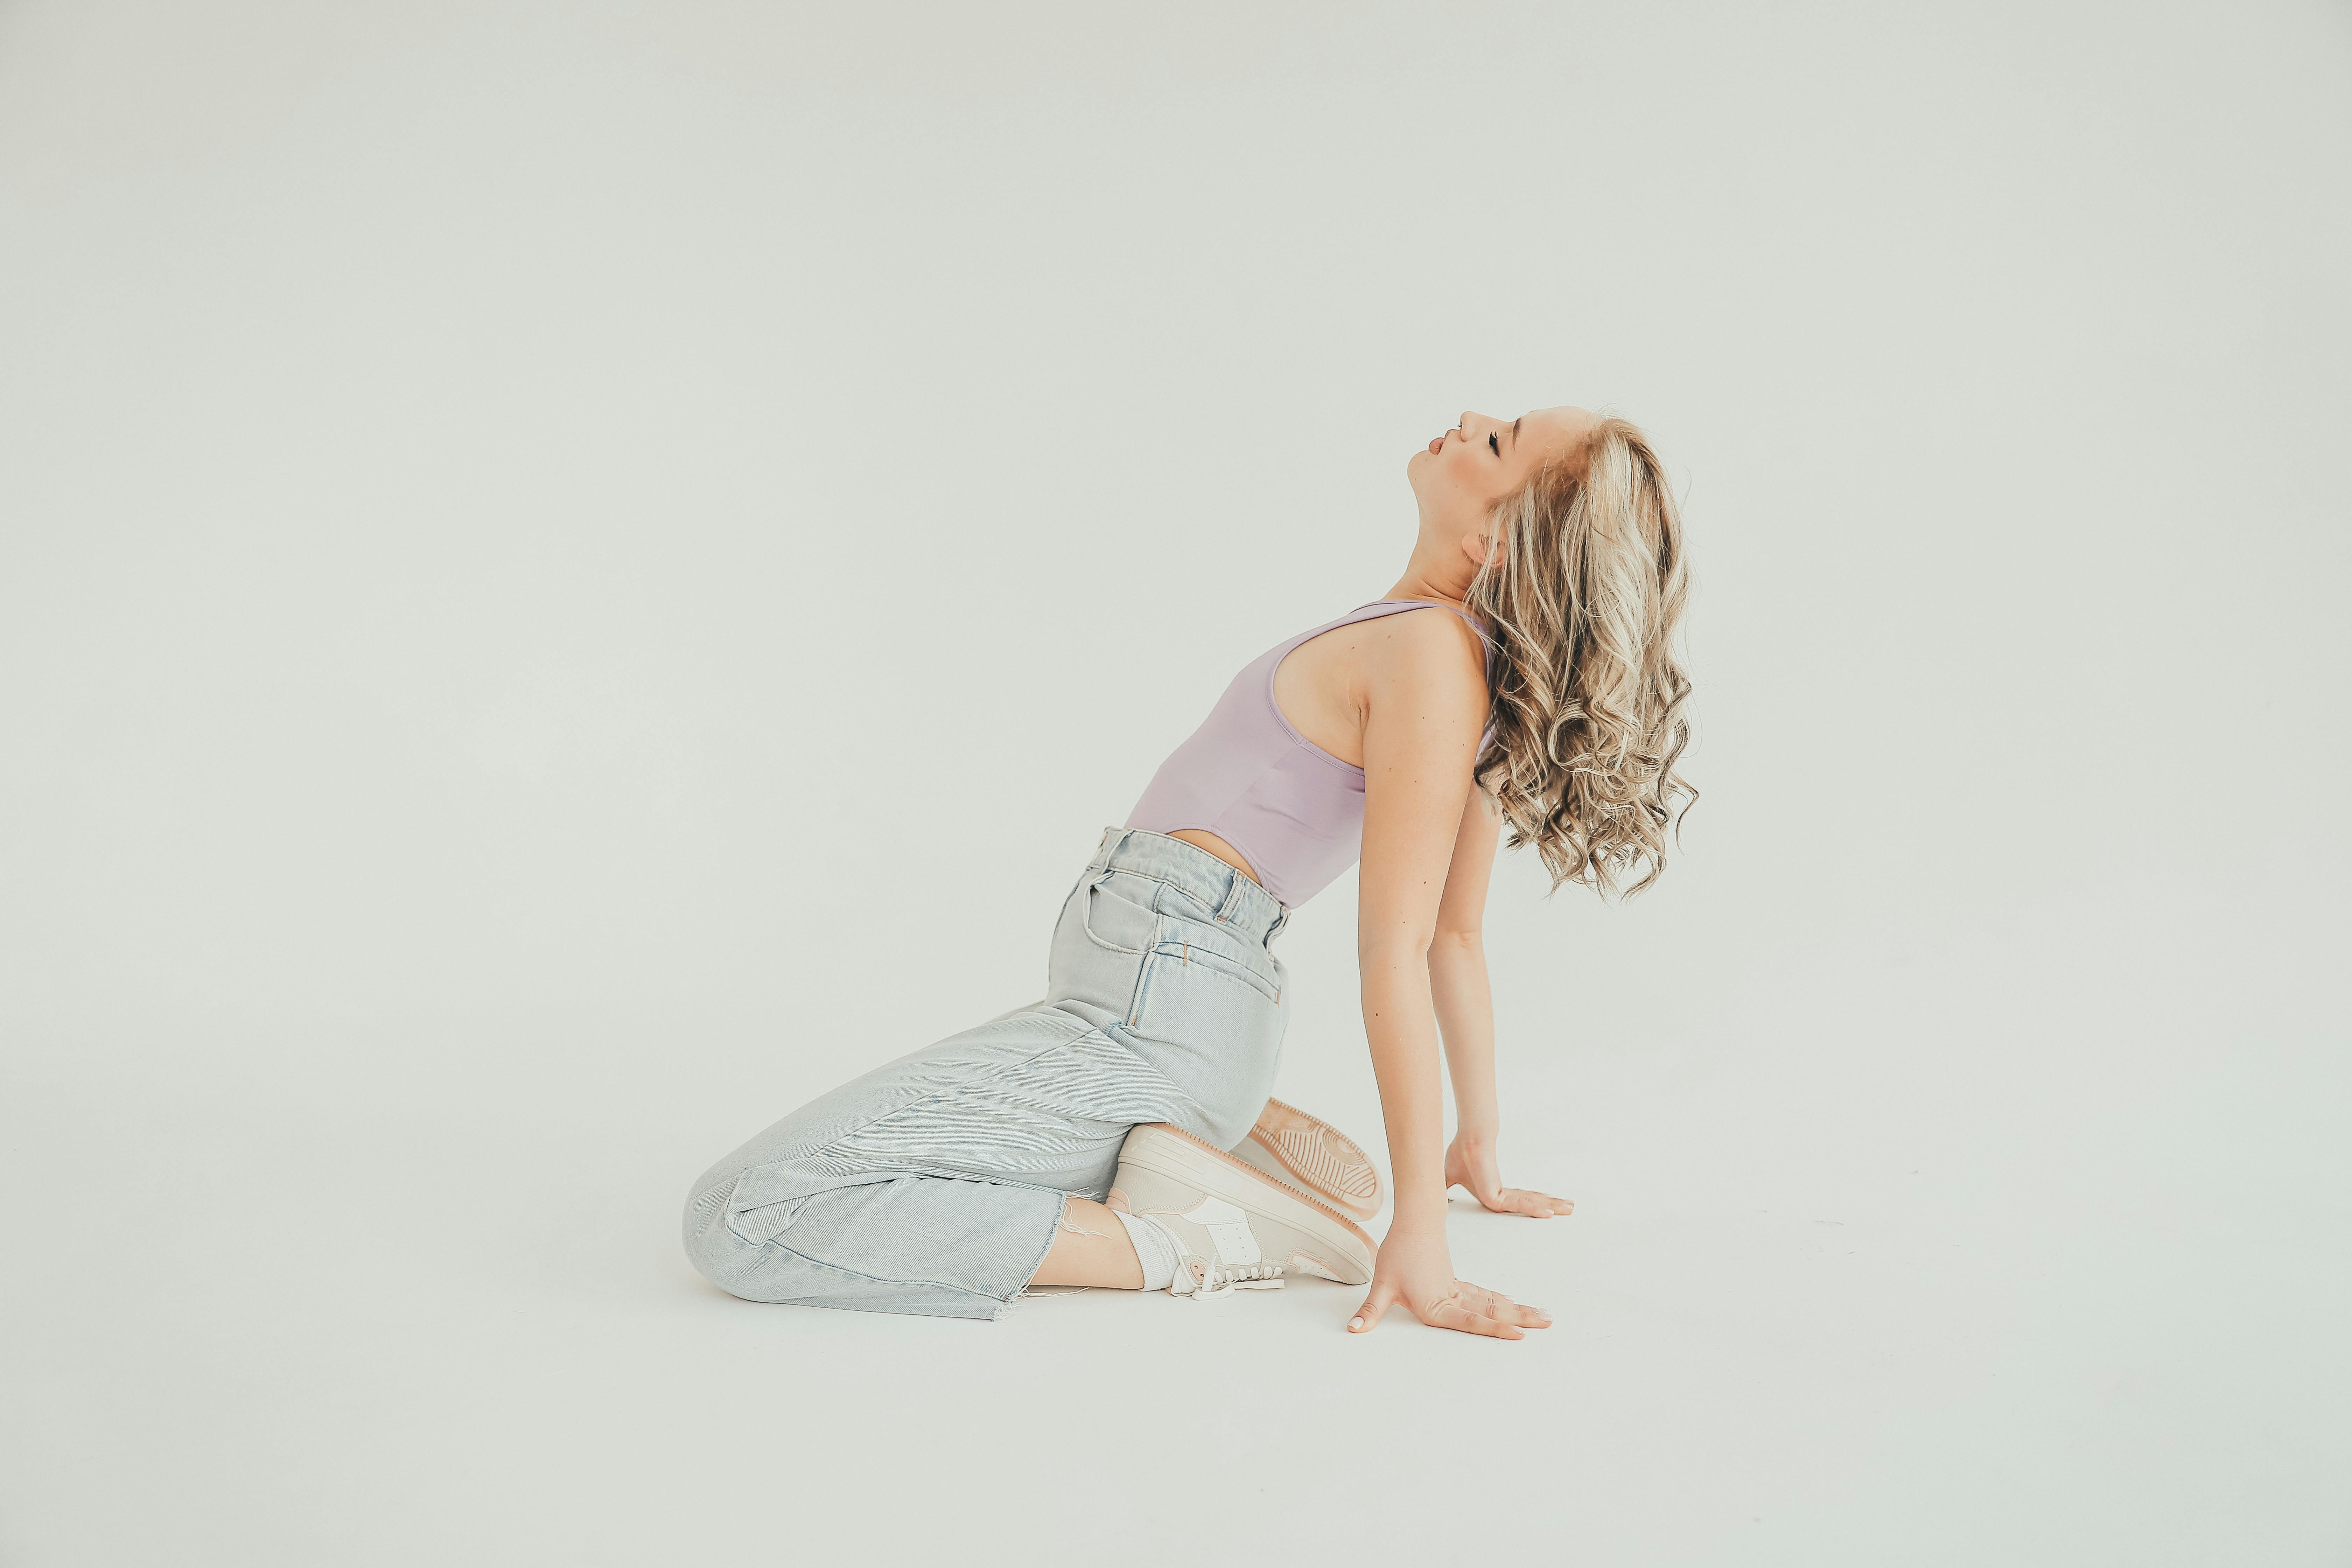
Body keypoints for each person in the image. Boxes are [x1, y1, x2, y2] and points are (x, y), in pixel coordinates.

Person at [680, 406, 1695, 1339]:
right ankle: (1199, 1145)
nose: (1472, 420)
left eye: (1502, 439)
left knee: (743, 1212)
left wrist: (1424, 1236)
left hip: (1159, 1004)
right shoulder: (1431, 650)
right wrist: (1477, 1139)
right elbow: (1458, 938)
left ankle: (1181, 1237)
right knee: (849, 1174)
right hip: (1157, 994)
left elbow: (1404, 947)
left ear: (1498, 541)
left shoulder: (1433, 658)